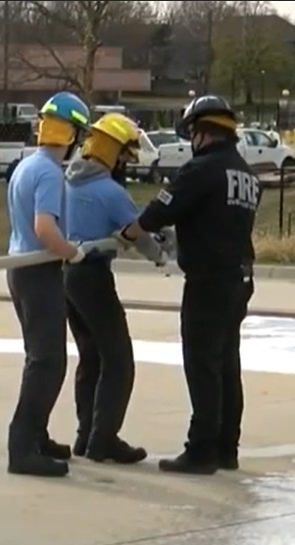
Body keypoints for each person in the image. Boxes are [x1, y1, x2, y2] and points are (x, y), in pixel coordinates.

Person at [119, 95, 258, 475]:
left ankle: (201, 452)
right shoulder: (245, 174)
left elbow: (161, 210)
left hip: (207, 281)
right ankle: (227, 448)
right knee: (227, 365)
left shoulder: (201, 170)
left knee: (202, 367)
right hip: (239, 278)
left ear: (201, 133)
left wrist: (130, 233)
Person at [63, 113, 169, 465]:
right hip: (93, 277)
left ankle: (85, 436)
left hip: (65, 277)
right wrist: (161, 257)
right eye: (124, 155)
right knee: (118, 359)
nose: (126, 164)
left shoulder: (66, 182)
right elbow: (137, 234)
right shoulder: (111, 192)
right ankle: (103, 439)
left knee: (90, 357)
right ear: (112, 152)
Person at [4, 91, 93, 478]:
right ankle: (22, 447)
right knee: (48, 362)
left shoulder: (27, 165)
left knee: (37, 358)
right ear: (72, 134)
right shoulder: (49, 172)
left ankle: (36, 437)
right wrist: (71, 252)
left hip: (19, 267)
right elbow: (45, 228)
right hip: (39, 270)